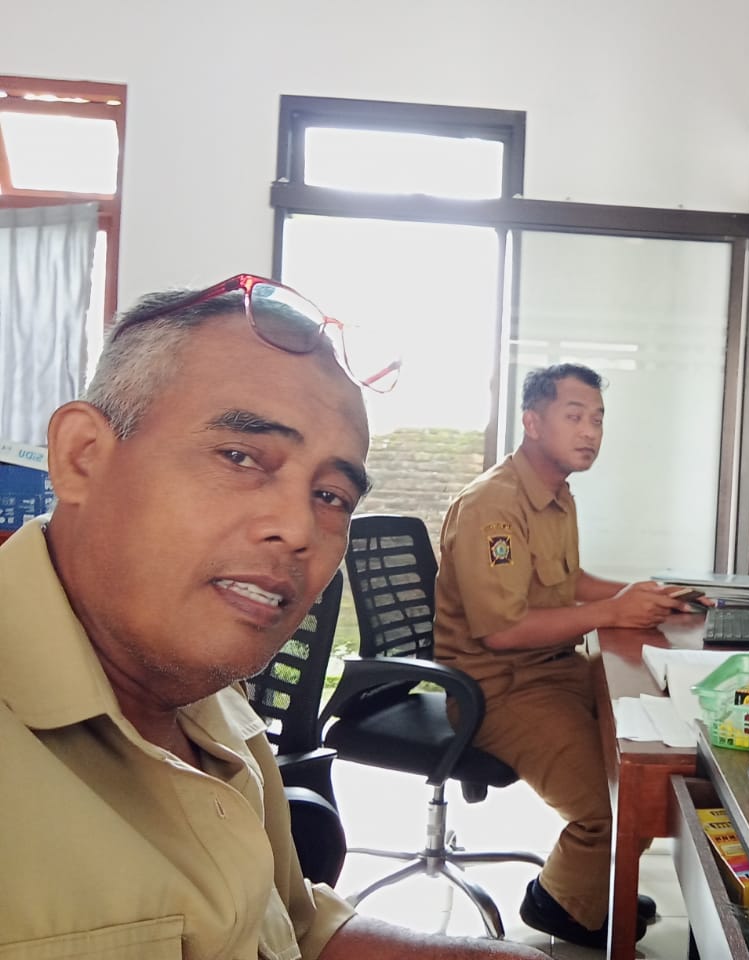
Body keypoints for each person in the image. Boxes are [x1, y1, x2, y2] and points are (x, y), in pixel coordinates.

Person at [0, 275, 546, 960]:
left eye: (331, 495)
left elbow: (289, 927)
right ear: (83, 456)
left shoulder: (208, 696)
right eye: (240, 457)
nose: (299, 529)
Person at [432, 363, 693, 949]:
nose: (590, 431)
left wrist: (642, 596)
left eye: (597, 419)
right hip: (497, 688)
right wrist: (614, 612)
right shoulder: (492, 506)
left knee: (654, 739)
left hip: (552, 669)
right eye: (574, 416)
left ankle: (589, 885)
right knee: (614, 804)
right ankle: (558, 903)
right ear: (532, 422)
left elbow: (567, 581)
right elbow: (502, 632)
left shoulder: (555, 492)